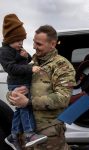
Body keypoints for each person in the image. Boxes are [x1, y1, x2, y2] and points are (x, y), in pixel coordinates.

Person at [7, 25, 76, 150]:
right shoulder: (29, 63)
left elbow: (62, 98)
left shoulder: (62, 66)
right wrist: (12, 95)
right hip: (25, 135)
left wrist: (28, 102)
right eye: (33, 42)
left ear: (53, 44)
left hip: (48, 134)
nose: (33, 47)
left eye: (38, 44)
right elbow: (13, 86)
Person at [0, 14, 48, 150]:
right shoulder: (4, 51)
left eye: (22, 40)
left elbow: (23, 63)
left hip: (22, 82)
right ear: (9, 39)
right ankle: (29, 134)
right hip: (17, 83)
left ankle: (13, 136)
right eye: (17, 40)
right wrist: (30, 67)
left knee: (19, 110)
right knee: (25, 107)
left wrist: (26, 57)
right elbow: (11, 68)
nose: (21, 43)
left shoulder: (18, 50)